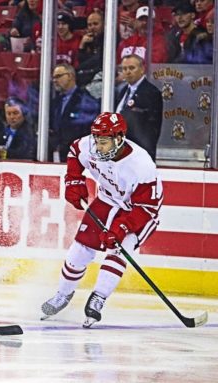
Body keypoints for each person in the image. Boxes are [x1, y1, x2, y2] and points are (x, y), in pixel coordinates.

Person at [41, 112, 164, 328]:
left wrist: (121, 227)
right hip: (107, 200)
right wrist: (73, 180)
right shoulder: (91, 145)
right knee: (80, 250)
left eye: (104, 142)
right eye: (96, 140)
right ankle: (63, 295)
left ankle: (98, 297)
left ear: (119, 139)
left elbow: (147, 208)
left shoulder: (142, 165)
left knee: (117, 250)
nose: (98, 147)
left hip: (137, 211)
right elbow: (74, 150)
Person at [115, 54, 162, 162]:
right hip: (121, 152)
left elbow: (150, 128)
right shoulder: (123, 91)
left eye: (131, 68)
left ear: (142, 69)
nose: (127, 72)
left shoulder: (151, 92)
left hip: (139, 153)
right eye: (124, 69)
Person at [49, 63, 100, 162]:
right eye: (53, 77)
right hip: (60, 153)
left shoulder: (85, 99)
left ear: (70, 76)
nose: (54, 80)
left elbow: (84, 128)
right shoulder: (55, 101)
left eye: (58, 76)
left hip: (80, 154)